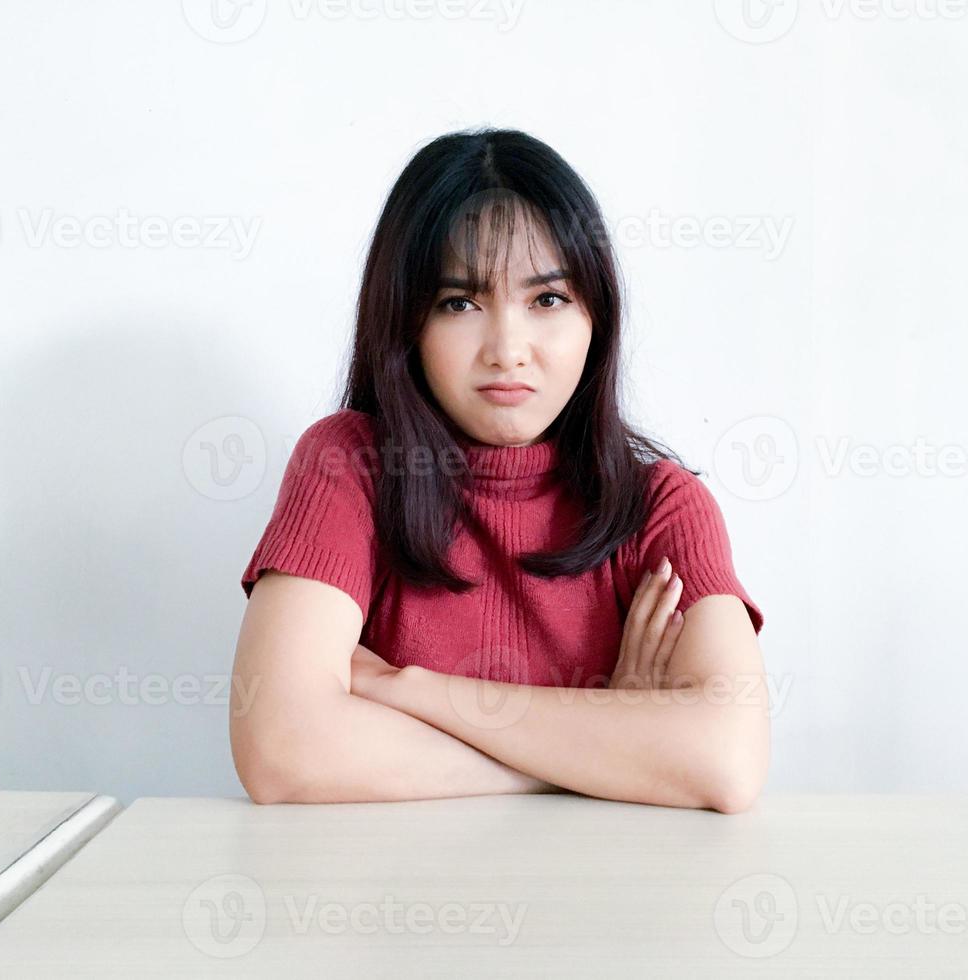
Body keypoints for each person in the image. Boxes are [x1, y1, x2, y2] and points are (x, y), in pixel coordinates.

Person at [229, 127, 768, 811]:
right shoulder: (351, 466)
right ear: (406, 323)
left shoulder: (662, 505)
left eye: (547, 300)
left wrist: (407, 689)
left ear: (595, 319)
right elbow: (284, 754)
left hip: (605, 902)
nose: (508, 350)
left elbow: (725, 762)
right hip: (383, 903)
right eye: (460, 303)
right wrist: (600, 749)